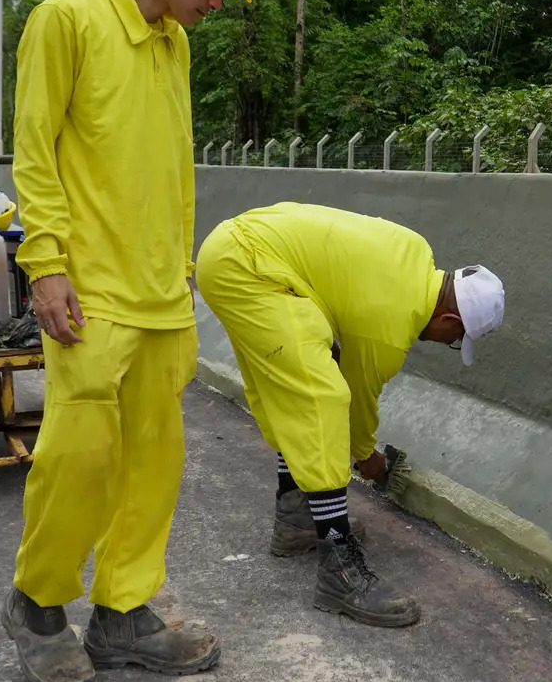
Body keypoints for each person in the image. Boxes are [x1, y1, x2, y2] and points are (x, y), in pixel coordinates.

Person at [3, 0, 270, 682]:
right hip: (89, 292)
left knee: (155, 462)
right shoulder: (68, 21)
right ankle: (38, 605)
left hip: (160, 294)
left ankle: (123, 612)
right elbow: (36, 153)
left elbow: (172, 169)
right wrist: (44, 264)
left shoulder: (173, 44)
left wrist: (183, 270)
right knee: (79, 458)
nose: (216, 0)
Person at [195, 201, 506, 628]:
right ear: (450, 318)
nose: (447, 343)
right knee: (321, 398)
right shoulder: (391, 325)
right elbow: (357, 401)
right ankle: (338, 568)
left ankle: (295, 516)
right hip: (247, 268)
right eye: (456, 338)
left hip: (248, 248)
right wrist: (369, 459)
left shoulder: (414, 253)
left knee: (304, 380)